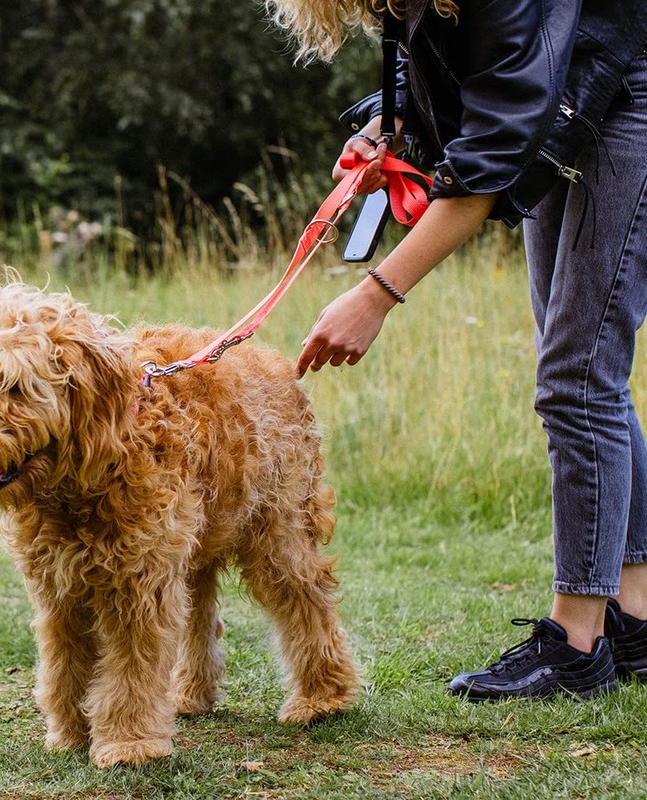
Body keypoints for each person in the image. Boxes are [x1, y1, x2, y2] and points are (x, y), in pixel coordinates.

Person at [265, 0, 647, 700]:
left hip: (625, 96)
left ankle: (577, 646)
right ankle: (637, 617)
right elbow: (455, 63)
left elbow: (493, 156)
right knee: (586, 376)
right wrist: (396, 117)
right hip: (565, 106)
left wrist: (376, 294)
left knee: (578, 380)